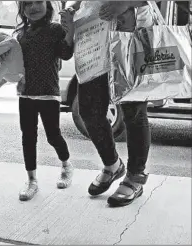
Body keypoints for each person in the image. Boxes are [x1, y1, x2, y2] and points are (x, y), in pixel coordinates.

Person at [70, 1, 152, 207]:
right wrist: (74, 7)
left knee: (133, 111)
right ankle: (112, 165)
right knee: (88, 109)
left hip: (129, 36)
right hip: (92, 40)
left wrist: (125, 3)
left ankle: (135, 177)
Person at [13, 1, 76, 201]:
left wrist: (70, 31)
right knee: (28, 137)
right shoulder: (20, 34)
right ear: (22, 10)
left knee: (53, 136)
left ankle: (66, 165)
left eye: (37, 1)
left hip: (49, 93)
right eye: (27, 3)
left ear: (47, 5)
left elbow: (66, 54)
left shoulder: (55, 29)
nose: (33, 7)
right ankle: (31, 180)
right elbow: (13, 64)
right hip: (25, 94)